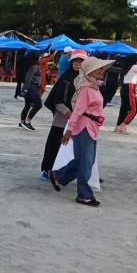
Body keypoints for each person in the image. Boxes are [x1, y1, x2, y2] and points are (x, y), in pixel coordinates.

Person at [48, 57, 115, 207]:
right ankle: (84, 195)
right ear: (90, 71)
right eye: (99, 69)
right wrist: (69, 131)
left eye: (103, 69)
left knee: (83, 161)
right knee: (86, 163)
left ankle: (58, 175)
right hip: (84, 128)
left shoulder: (94, 86)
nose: (103, 71)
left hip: (90, 127)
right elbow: (77, 111)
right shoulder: (86, 89)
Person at [40, 50, 87, 181]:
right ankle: (47, 170)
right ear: (71, 62)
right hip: (62, 118)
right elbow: (56, 98)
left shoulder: (86, 79)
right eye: (76, 61)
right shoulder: (65, 78)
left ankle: (75, 173)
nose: (78, 64)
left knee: (75, 148)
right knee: (55, 144)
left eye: (81, 61)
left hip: (79, 119)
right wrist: (67, 112)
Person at [19, 54, 43, 131]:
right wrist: (25, 89)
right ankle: (27, 122)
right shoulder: (34, 67)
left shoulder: (32, 66)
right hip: (31, 88)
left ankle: (22, 122)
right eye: (39, 57)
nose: (40, 58)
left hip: (31, 87)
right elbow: (28, 78)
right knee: (38, 105)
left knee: (27, 105)